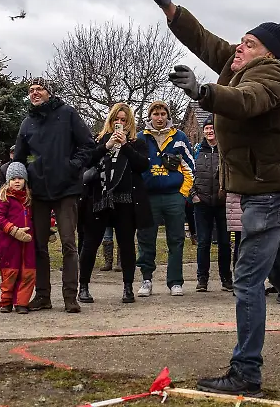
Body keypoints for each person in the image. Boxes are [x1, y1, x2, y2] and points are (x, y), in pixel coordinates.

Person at [132, 0, 280, 395]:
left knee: (247, 277)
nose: (239, 47)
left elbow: (246, 101)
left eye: (248, 44)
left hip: (271, 192)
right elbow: (204, 40)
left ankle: (246, 372)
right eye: (241, 41)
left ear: (266, 54)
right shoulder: (237, 64)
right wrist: (170, 9)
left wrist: (204, 92)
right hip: (262, 188)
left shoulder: (271, 76)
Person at [13, 77, 95, 313]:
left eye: (40, 89)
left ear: (50, 92)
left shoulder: (68, 114)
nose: (35, 93)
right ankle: (43, 296)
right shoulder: (27, 123)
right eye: (31, 90)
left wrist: (72, 166)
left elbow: (87, 145)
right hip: (38, 192)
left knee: (69, 243)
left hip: (67, 190)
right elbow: (18, 157)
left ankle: (70, 296)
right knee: (39, 245)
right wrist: (25, 174)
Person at [78, 103, 152, 304]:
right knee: (90, 243)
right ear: (110, 121)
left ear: (129, 122)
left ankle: (128, 288)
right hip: (99, 199)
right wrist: (106, 146)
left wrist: (126, 145)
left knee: (127, 244)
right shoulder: (101, 139)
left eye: (123, 120)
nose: (119, 123)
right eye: (116, 119)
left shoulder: (137, 142)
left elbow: (143, 165)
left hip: (126, 201)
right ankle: (83, 286)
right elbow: (88, 161)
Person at [136, 100, 194, 297]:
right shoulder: (140, 138)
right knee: (145, 238)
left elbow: (190, 167)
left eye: (163, 114)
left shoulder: (179, 137)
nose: (159, 118)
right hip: (148, 198)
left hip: (173, 197)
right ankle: (146, 279)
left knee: (176, 239)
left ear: (168, 116)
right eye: (155, 114)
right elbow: (134, 169)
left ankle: (175, 282)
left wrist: (183, 194)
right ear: (150, 116)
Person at [192, 115, 233, 293]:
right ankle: (202, 279)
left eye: (212, 128)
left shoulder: (226, 150)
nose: (209, 131)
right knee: (203, 242)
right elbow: (187, 172)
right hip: (201, 203)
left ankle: (226, 278)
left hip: (223, 203)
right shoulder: (196, 150)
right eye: (207, 128)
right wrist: (193, 195)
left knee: (224, 243)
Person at [0, 162, 36, 314]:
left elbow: (36, 218)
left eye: (20, 178)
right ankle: (6, 301)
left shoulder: (29, 200)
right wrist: (13, 230)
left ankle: (21, 302)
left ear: (25, 180)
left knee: (28, 274)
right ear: (8, 181)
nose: (17, 181)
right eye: (13, 179)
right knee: (10, 273)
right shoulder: (4, 198)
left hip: (28, 246)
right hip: (9, 244)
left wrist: (47, 230)